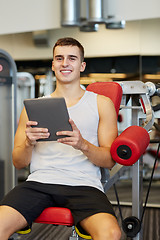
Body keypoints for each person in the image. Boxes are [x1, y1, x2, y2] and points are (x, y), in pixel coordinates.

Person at [0, 37, 121, 240]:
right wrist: (29, 144)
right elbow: (18, 162)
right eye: (59, 58)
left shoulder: (101, 104)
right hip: (39, 183)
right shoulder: (33, 108)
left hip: (84, 185)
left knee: (111, 234)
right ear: (53, 64)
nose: (65, 63)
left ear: (82, 65)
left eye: (72, 58)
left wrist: (83, 145)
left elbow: (109, 160)